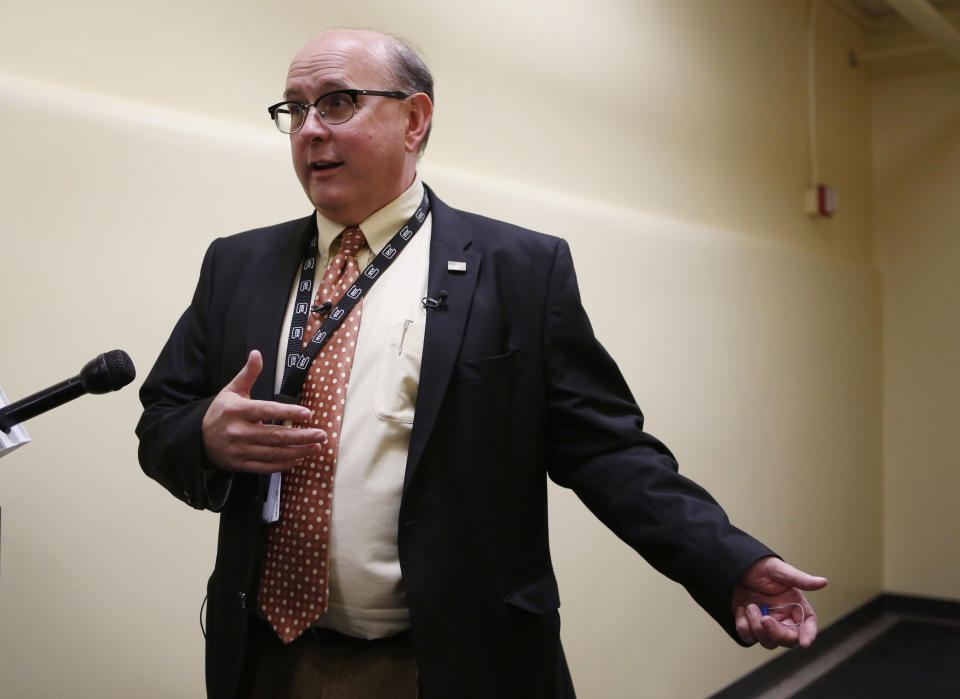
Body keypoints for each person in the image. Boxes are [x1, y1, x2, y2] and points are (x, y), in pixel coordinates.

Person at [136, 28, 828, 699]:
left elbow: (608, 450)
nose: (310, 128)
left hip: (445, 663)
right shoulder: (239, 263)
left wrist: (727, 560)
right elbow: (161, 418)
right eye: (296, 108)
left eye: (338, 102)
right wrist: (203, 435)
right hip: (264, 657)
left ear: (415, 118)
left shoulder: (520, 270)